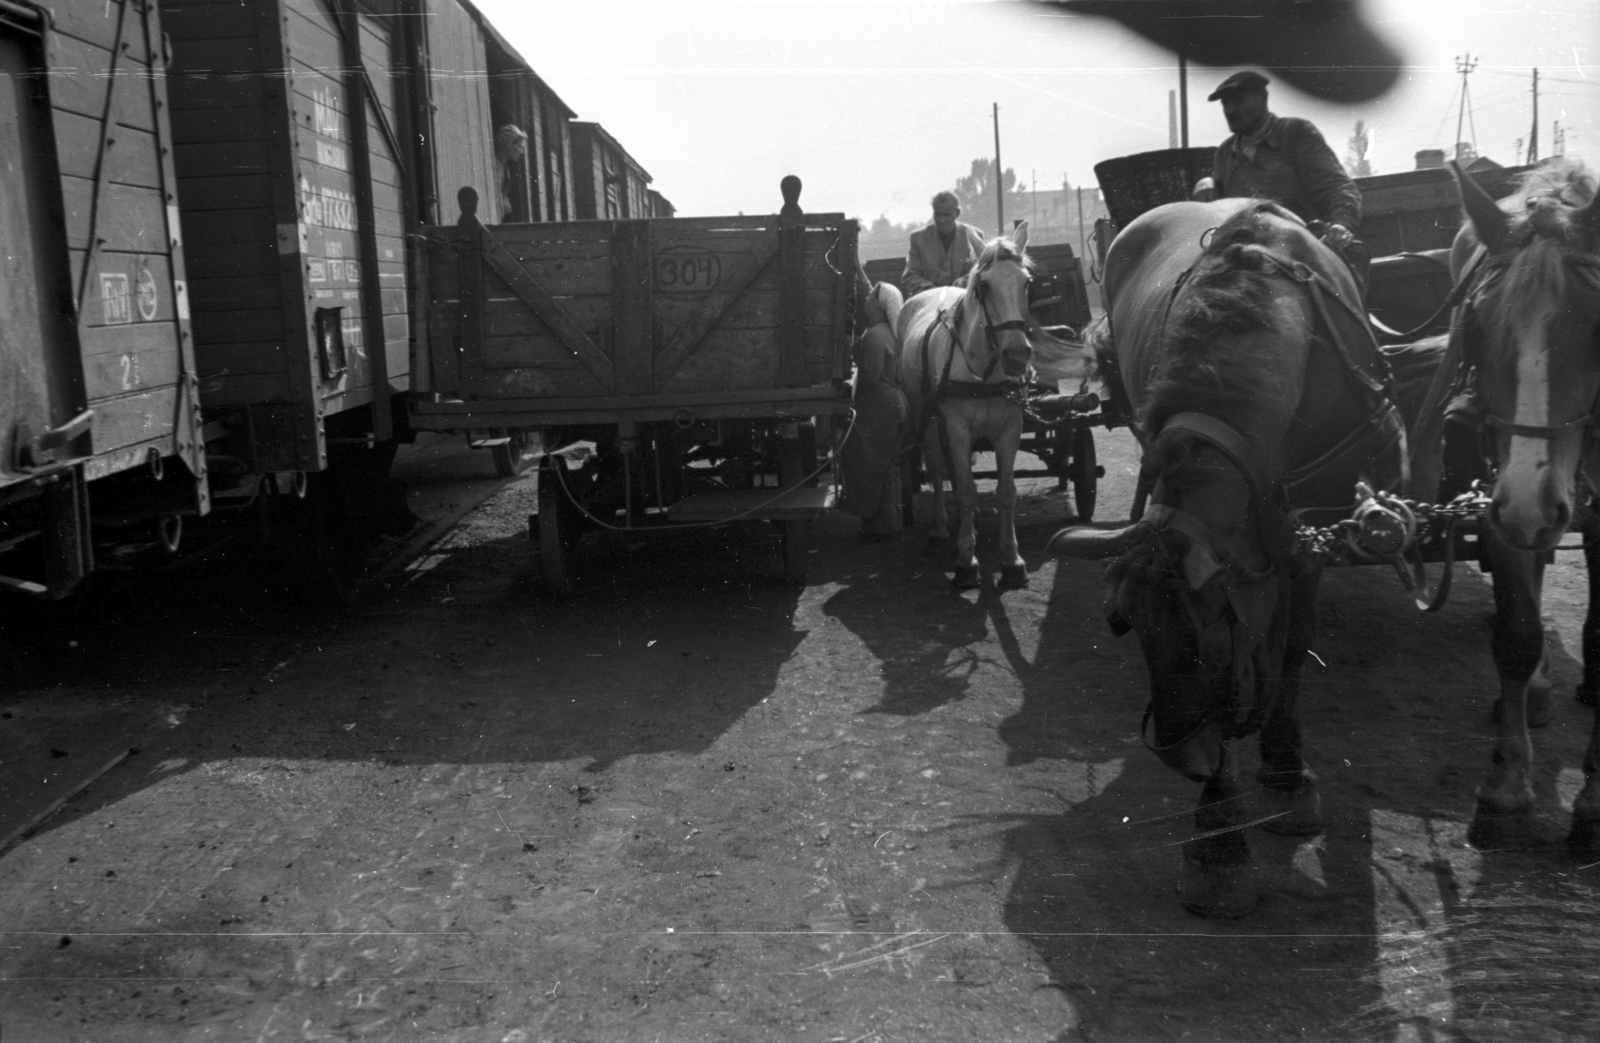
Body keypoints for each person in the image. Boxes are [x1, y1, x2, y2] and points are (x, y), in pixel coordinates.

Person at [1191, 72, 1362, 254]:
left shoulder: (1295, 133)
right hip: (1242, 252)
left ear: (1263, 99)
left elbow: (1337, 187)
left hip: (1298, 248)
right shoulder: (1225, 152)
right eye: (1225, 103)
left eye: (1238, 100)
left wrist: (1341, 224)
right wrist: (1206, 183)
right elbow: (1218, 211)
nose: (1230, 110)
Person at [837, 271, 907, 541]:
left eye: (868, 298)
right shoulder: (884, 332)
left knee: (871, 462)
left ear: (878, 305)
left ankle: (881, 525)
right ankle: (888, 521)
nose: (864, 301)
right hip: (887, 403)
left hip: (878, 404)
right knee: (884, 462)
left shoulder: (876, 336)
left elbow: (871, 375)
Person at [901, 191, 986, 297]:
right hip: (929, 297)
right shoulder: (918, 238)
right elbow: (909, 276)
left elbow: (983, 271)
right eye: (938, 214)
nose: (941, 220)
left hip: (963, 297)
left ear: (957, 213)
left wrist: (964, 281)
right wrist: (931, 290)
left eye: (947, 215)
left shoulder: (975, 235)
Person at [493, 124, 529, 222]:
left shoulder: (506, 170)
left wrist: (504, 198)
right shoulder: (491, 165)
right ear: (509, 144)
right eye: (519, 146)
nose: (521, 152)